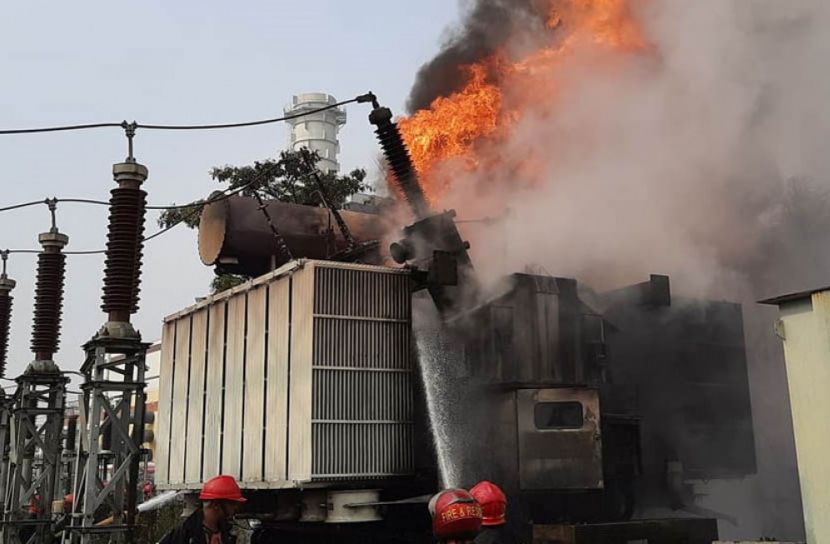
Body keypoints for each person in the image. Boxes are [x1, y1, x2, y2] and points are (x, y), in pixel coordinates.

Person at [159, 475, 246, 544]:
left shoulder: (226, 534)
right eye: (232, 503)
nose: (236, 507)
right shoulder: (183, 536)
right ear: (216, 505)